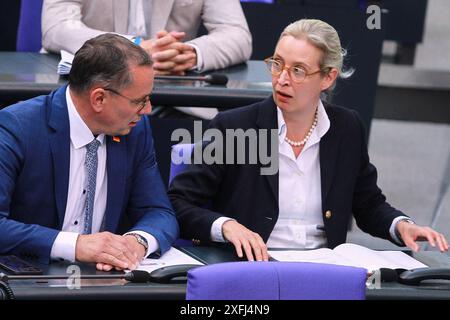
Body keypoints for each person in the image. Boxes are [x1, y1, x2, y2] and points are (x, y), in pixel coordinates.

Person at [168, 19, 448, 261]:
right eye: (277, 65)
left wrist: (401, 226)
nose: (282, 80)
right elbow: (178, 203)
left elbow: (368, 204)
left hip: (325, 269)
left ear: (327, 78)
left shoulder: (346, 128)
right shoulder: (234, 127)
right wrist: (226, 226)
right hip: (252, 267)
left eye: (298, 70)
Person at [0, 33, 178, 271]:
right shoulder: (17, 128)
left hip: (105, 279)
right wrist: (76, 245)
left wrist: (136, 242)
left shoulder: (135, 130)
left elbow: (158, 211)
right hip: (30, 278)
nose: (147, 110)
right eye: (140, 100)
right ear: (99, 98)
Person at [42, 0, 252, 75]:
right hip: (93, 87)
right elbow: (57, 27)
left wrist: (189, 54)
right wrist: (134, 47)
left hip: (173, 95)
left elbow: (237, 34)